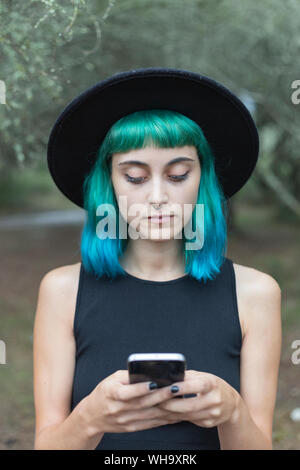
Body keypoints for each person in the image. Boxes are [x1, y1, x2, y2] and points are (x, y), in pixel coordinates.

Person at [33, 68, 282, 450]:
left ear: (202, 180)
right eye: (134, 177)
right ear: (110, 184)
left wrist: (232, 411)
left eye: (178, 174)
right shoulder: (62, 291)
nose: (157, 197)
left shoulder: (256, 293)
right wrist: (88, 419)